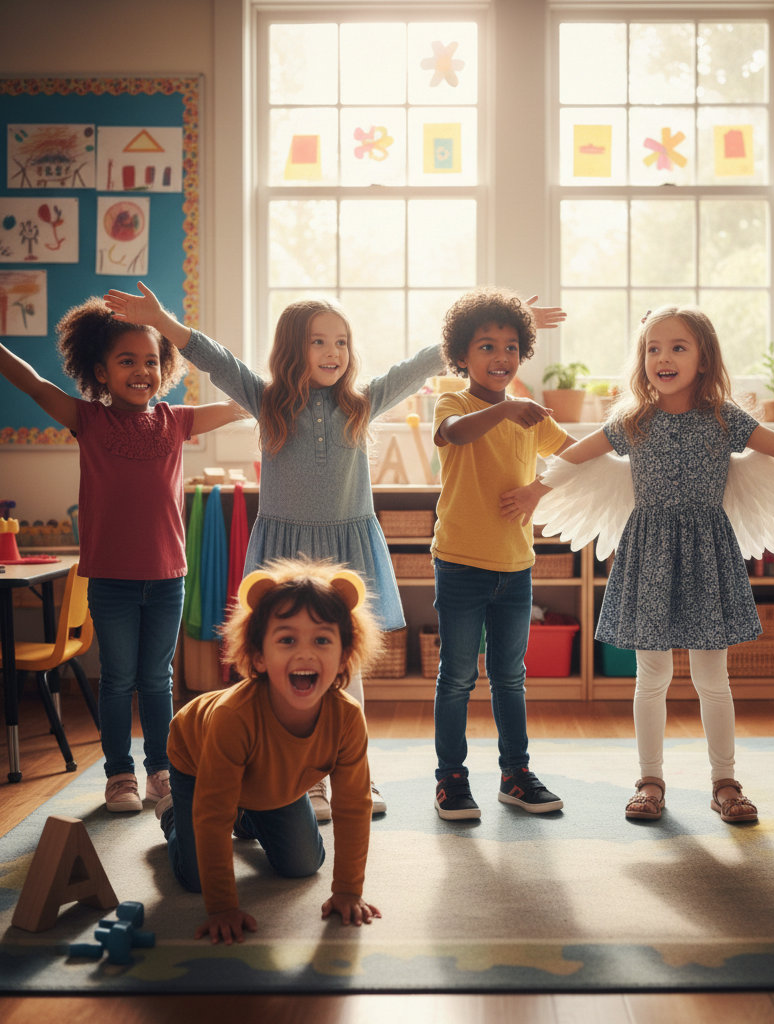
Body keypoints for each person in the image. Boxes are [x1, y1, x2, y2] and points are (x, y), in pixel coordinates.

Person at [104, 283, 562, 819]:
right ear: (291, 349)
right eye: (319, 342)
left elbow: (418, 366)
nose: (332, 353)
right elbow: (216, 359)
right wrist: (165, 322)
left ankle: (352, 776)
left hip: (346, 552)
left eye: (341, 342)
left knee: (346, 667)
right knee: (281, 668)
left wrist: (488, 323)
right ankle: (301, 780)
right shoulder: (267, 399)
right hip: (285, 554)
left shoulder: (361, 402)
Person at [501, 305, 774, 823]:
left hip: (708, 554)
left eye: (678, 347)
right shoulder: (632, 420)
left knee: (713, 677)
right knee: (651, 675)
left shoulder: (725, 419)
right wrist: (532, 490)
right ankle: (649, 781)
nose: (664, 357)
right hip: (649, 553)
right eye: (653, 348)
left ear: (704, 359)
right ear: (642, 360)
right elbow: (579, 456)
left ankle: (725, 782)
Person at [0, 300, 243, 813]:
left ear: (165, 368)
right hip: (110, 580)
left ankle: (160, 771)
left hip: (166, 578)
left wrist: (283, 387)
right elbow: (32, 383)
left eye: (151, 360)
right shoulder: (86, 419)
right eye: (127, 361)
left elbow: (245, 402)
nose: (141, 371)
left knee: (157, 679)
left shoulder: (177, 422)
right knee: (117, 680)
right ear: (100, 372)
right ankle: (118, 777)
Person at [156, 557, 383, 945]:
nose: (306, 653)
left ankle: (245, 816)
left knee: (303, 865)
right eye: (287, 639)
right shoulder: (233, 718)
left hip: (272, 784)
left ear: (345, 655)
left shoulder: (346, 716)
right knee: (196, 879)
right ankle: (175, 814)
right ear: (259, 656)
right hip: (196, 760)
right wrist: (223, 906)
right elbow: (212, 817)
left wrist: (348, 888)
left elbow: (353, 804)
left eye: (322, 639)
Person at [431, 287, 574, 819]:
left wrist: (540, 488)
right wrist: (509, 408)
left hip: (516, 570)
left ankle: (515, 775)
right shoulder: (456, 402)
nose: (501, 357)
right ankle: (450, 780)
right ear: (462, 356)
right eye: (487, 347)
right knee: (458, 678)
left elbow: (574, 457)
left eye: (511, 347)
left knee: (510, 677)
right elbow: (454, 434)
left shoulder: (529, 415)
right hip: (461, 565)